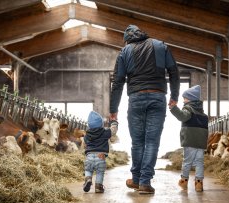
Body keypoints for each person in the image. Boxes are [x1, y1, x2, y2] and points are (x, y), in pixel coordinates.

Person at [109, 24, 180, 194]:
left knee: (138, 141)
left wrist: (113, 109)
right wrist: (174, 97)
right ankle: (144, 182)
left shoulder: (124, 52)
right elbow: (174, 72)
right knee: (152, 141)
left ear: (127, 39)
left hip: (136, 99)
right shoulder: (160, 45)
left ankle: (136, 179)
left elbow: (118, 82)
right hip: (157, 98)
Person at [169, 85, 208, 192]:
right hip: (201, 141)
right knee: (199, 162)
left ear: (190, 98)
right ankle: (199, 184)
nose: (184, 100)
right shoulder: (203, 114)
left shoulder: (189, 108)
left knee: (187, 162)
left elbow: (183, 116)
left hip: (190, 139)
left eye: (185, 98)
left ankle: (184, 181)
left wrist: (173, 108)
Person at [83, 111, 118, 193]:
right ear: (101, 124)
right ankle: (98, 187)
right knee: (99, 172)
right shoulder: (105, 132)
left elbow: (85, 144)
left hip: (89, 156)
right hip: (101, 156)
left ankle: (88, 179)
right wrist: (114, 122)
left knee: (88, 170)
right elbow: (113, 131)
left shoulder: (87, 135)